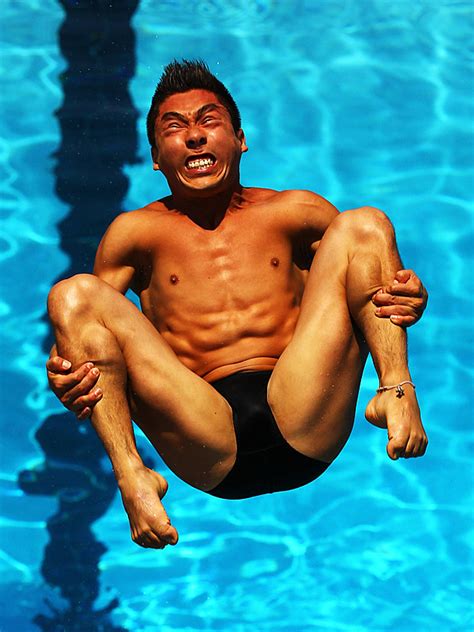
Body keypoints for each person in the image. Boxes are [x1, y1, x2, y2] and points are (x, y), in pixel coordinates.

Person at [46, 60, 428, 550]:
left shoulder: (295, 212)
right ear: (157, 158)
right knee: (71, 294)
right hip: (202, 432)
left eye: (209, 121)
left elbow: (370, 274)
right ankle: (132, 478)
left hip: (304, 407)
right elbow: (85, 331)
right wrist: (64, 371)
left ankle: (397, 392)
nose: (195, 137)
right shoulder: (134, 235)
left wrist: (410, 296)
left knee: (365, 224)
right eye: (175, 127)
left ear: (240, 139)